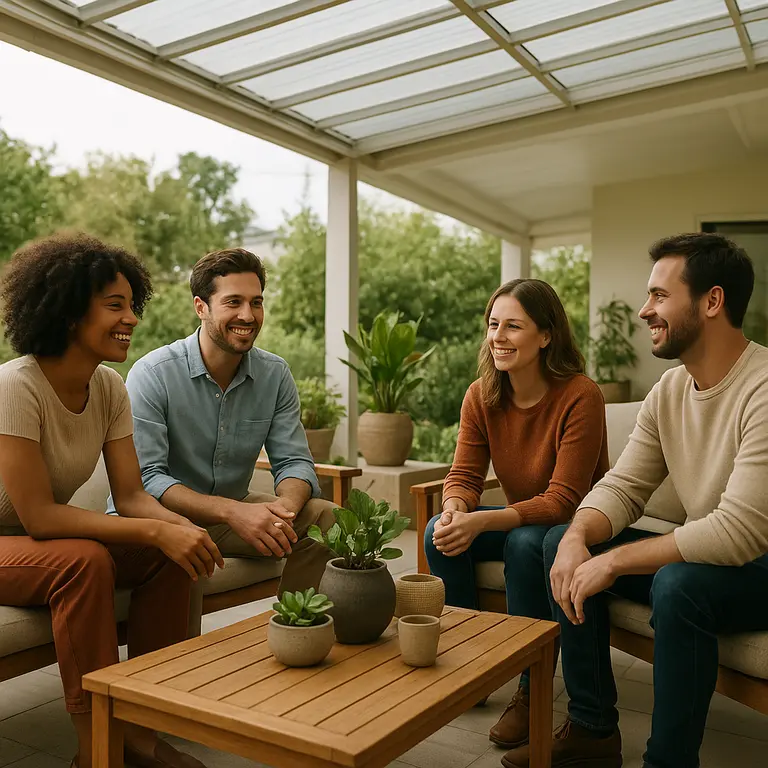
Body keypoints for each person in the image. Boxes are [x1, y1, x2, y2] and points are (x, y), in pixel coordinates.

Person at [501, 233, 768, 768]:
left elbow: (738, 532)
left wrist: (613, 562)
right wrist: (578, 537)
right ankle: (594, 731)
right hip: (715, 563)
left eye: (660, 296)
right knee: (559, 542)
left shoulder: (761, 386)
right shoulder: (670, 390)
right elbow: (622, 488)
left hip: (757, 566)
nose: (646, 310)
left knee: (678, 584)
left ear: (712, 302)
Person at [0, 233, 224, 768]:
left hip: (27, 543)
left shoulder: (108, 387)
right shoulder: (16, 386)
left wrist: (175, 528)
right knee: (84, 561)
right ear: (71, 311)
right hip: (14, 541)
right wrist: (153, 529)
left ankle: (142, 736)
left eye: (132, 305)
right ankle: (97, 752)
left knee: (170, 554)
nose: (132, 319)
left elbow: (130, 495)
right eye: (115, 306)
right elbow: (40, 516)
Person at [423, 278, 609, 750]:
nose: (498, 336)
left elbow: (563, 499)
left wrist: (483, 520)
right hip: (523, 517)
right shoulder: (481, 395)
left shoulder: (581, 395)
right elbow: (462, 476)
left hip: (577, 527)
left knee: (523, 542)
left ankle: (530, 687)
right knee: (434, 533)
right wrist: (455, 511)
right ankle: (476, 667)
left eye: (513, 326)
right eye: (492, 325)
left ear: (546, 335)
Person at [121, 247, 334, 597]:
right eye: (233, 302)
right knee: (180, 547)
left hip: (229, 515)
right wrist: (234, 512)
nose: (248, 315)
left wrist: (286, 510)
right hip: (160, 520)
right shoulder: (153, 373)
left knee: (324, 517)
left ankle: (298, 626)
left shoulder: (275, 374)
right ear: (200, 307)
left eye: (256, 302)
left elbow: (294, 461)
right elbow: (148, 479)